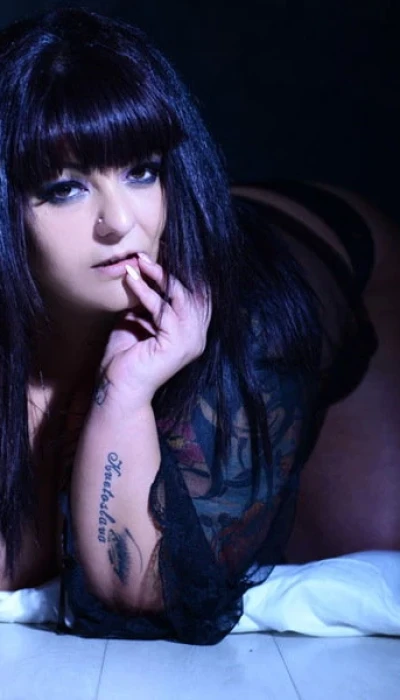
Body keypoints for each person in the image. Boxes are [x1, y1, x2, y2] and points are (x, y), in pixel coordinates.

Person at [0, 7, 385, 644]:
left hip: (328, 261)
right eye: (65, 188)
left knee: (362, 538)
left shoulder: (247, 325)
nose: (121, 222)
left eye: (142, 170)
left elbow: (139, 591)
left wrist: (124, 392)